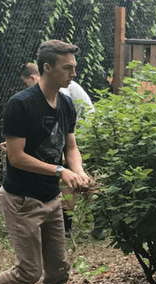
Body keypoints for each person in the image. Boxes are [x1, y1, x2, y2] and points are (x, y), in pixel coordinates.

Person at [0, 40, 93, 284]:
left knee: (59, 271)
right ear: (47, 67)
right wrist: (61, 170)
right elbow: (16, 158)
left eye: (74, 67)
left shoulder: (66, 104)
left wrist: (79, 171)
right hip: (22, 201)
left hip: (51, 199)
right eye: (68, 67)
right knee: (28, 272)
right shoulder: (21, 105)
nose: (74, 73)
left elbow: (70, 145)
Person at [15, 60, 93, 237]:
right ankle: (67, 224)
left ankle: (70, 225)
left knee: (73, 174)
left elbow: (56, 129)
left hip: (85, 130)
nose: (26, 88)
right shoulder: (38, 98)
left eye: (27, 83)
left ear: (34, 77)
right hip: (72, 130)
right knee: (66, 173)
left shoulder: (58, 92)